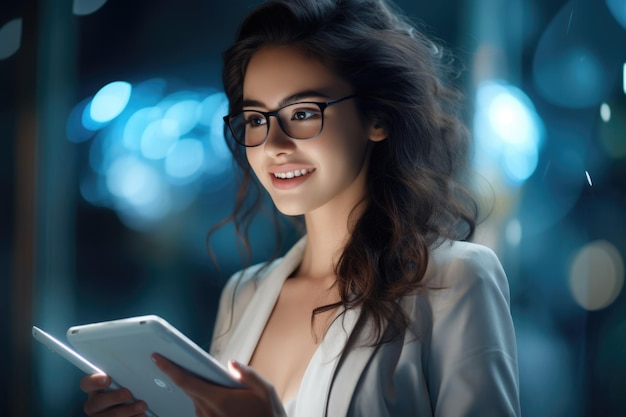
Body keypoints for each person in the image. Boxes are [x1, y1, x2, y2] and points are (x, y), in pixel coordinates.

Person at [80, 0, 521, 416]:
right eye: (255, 119)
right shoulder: (244, 294)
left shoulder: (455, 279)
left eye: (304, 113)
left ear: (378, 117)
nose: (273, 145)